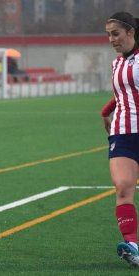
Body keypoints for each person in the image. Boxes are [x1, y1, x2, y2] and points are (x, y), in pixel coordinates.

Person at [101, 11, 139, 267]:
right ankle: (133, 246)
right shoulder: (117, 63)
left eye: (116, 34)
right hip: (123, 132)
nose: (112, 39)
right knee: (124, 187)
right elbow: (124, 91)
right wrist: (106, 111)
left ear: (130, 32)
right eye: (109, 35)